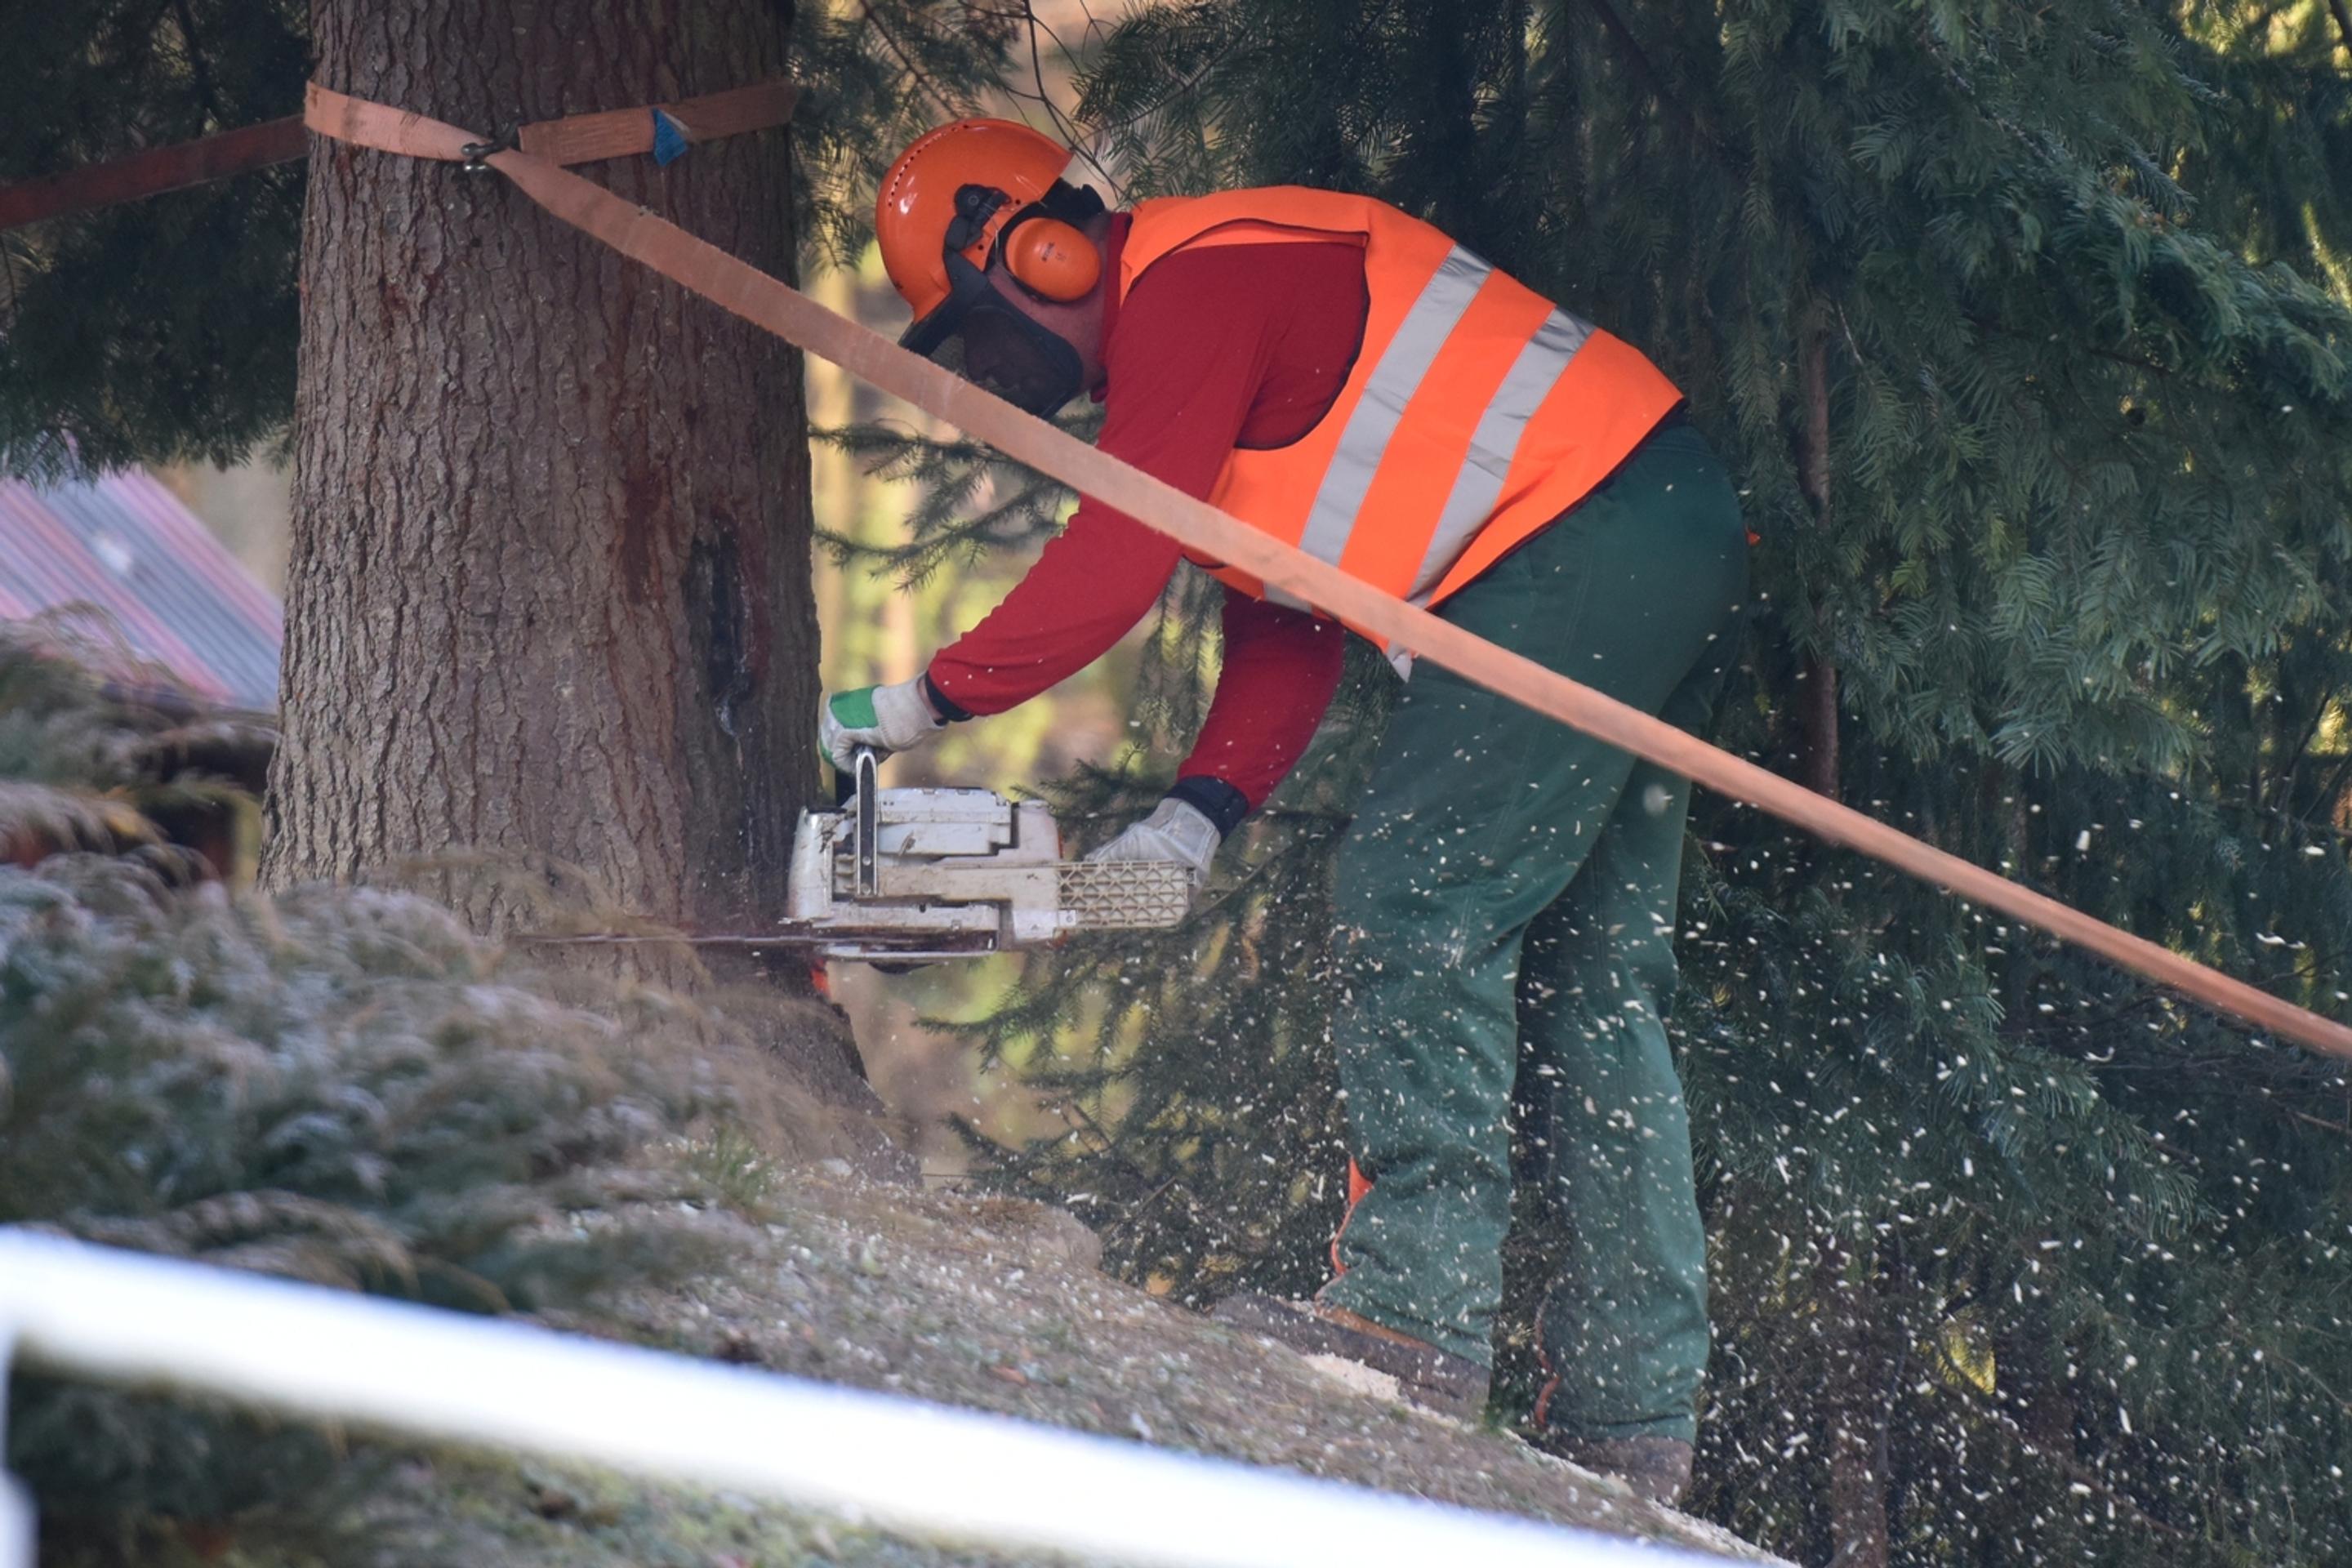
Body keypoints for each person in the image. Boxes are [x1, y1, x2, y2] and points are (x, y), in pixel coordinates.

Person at [818, 118, 1748, 1506]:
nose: (1003, 374)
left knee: (1416, 899)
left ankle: (1405, 1326)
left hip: (1579, 536)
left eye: (989, 328)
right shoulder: (1204, 330)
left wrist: (909, 707)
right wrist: (1197, 817)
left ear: (1040, 245)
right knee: (1592, 975)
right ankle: (1632, 1412)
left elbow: (1118, 553)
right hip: (1651, 520)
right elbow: (1286, 620)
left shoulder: (1193, 287)